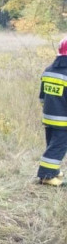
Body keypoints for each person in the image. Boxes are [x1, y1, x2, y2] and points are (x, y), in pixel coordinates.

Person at [37, 37, 67, 186]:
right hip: (63, 119)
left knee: (52, 144)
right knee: (58, 146)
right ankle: (47, 175)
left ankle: (53, 170)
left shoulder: (49, 70)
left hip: (48, 116)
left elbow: (42, 96)